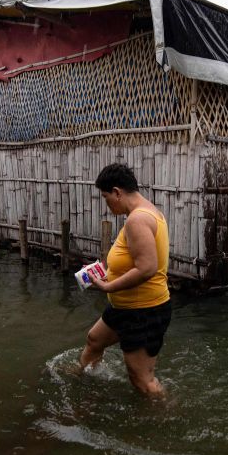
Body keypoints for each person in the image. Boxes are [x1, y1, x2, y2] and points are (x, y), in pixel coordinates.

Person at [80, 163, 172, 397]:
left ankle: (167, 416)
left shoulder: (137, 220)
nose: (106, 203)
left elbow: (147, 268)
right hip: (126, 307)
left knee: (142, 381)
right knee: (94, 341)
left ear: (117, 192)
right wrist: (105, 272)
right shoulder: (146, 211)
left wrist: (107, 285)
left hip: (143, 311)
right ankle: (84, 381)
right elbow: (135, 261)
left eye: (105, 196)